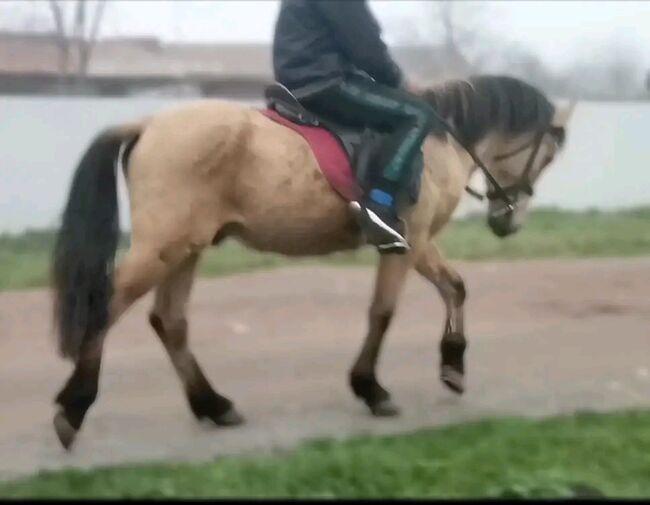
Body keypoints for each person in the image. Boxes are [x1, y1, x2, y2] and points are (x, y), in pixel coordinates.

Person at [272, 0, 435, 254]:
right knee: (419, 114)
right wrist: (399, 81)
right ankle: (380, 204)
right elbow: (366, 47)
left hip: (296, 79)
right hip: (326, 81)